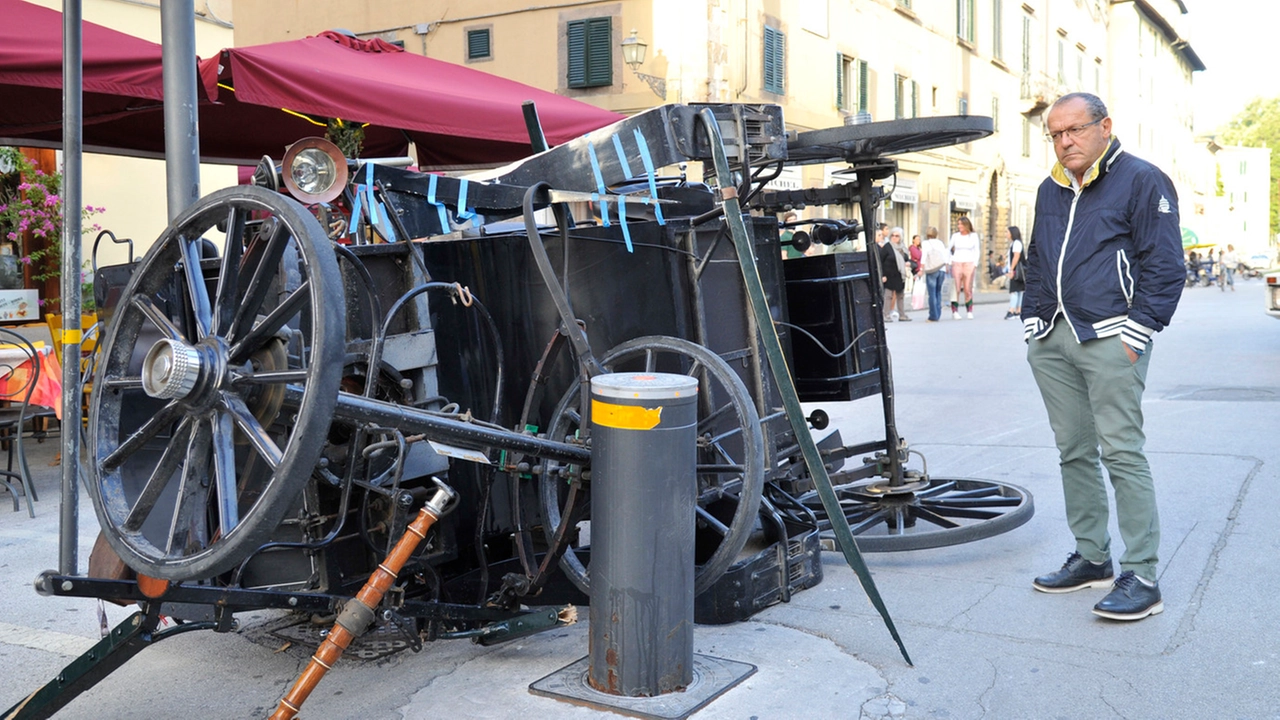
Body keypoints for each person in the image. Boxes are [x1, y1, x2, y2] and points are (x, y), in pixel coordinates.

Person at [1024, 92, 1184, 621]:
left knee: (1121, 453)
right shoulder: (1051, 187)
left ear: (1104, 126)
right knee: (1073, 451)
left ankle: (1142, 575)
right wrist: (1033, 320)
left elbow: (1164, 264)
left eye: (1074, 130)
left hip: (1112, 336)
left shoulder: (1141, 179)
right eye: (1055, 133)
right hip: (1053, 336)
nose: (1065, 141)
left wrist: (1138, 332)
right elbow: (1037, 256)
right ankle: (1092, 557)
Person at [948, 216, 980, 318]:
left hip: (969, 263)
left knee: (967, 288)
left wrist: (975, 264)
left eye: (961, 224)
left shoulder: (973, 236)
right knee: (956, 288)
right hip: (957, 262)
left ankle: (969, 310)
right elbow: (948, 248)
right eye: (958, 224)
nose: (959, 226)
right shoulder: (955, 236)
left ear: (966, 225)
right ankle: (955, 311)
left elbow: (977, 250)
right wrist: (949, 261)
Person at [877, 226, 910, 321]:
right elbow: (880, 261)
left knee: (900, 295)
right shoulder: (887, 247)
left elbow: (907, 259)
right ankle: (885, 315)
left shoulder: (903, 248)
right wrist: (882, 274)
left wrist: (909, 263)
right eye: (893, 235)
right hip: (889, 275)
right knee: (888, 296)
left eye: (897, 236)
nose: (894, 237)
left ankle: (902, 315)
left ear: (901, 237)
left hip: (900, 275)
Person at [918, 227, 949, 322]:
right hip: (941, 268)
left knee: (932, 293)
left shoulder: (926, 243)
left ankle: (933, 315)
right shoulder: (940, 242)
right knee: (938, 292)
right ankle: (938, 313)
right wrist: (946, 266)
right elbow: (945, 255)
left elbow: (924, 257)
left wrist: (921, 269)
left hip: (932, 269)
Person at [1006, 226, 1026, 319]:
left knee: (1014, 290)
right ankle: (1019, 310)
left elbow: (1016, 256)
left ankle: (1012, 310)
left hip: (1016, 271)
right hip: (1019, 271)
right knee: (1020, 290)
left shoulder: (1016, 243)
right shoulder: (1015, 243)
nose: (1006, 234)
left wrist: (1011, 269)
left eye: (1007, 232)